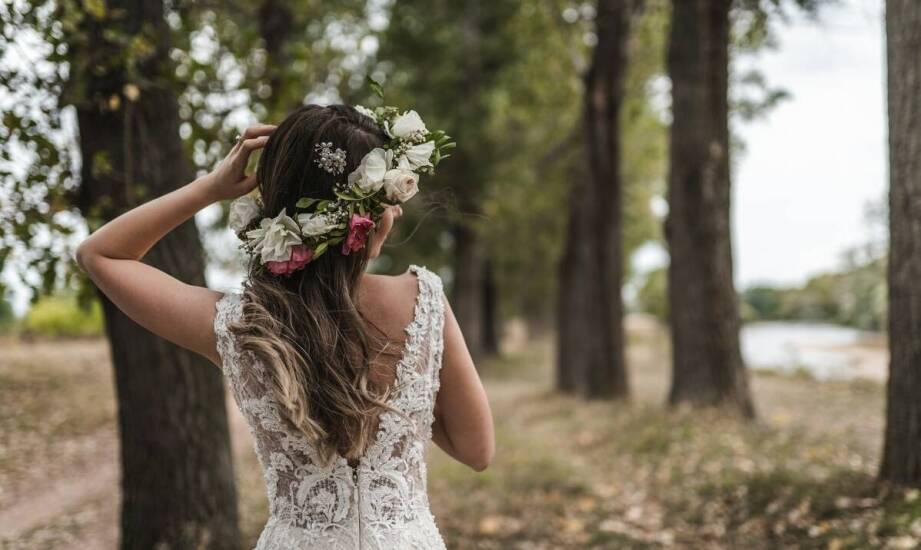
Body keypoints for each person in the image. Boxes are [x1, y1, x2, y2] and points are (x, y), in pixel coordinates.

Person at [76, 103, 495, 549]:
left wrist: (210, 189)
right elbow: (477, 451)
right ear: (370, 218)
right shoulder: (424, 302)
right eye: (390, 203)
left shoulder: (242, 326)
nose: (398, 214)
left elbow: (99, 255)